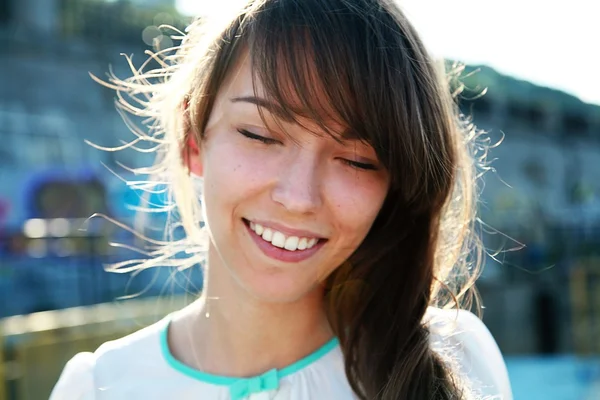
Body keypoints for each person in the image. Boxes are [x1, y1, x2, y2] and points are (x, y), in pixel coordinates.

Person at [50, 0, 512, 399]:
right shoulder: (99, 386)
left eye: (357, 160)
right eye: (260, 134)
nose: (298, 197)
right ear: (194, 141)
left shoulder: (454, 357)